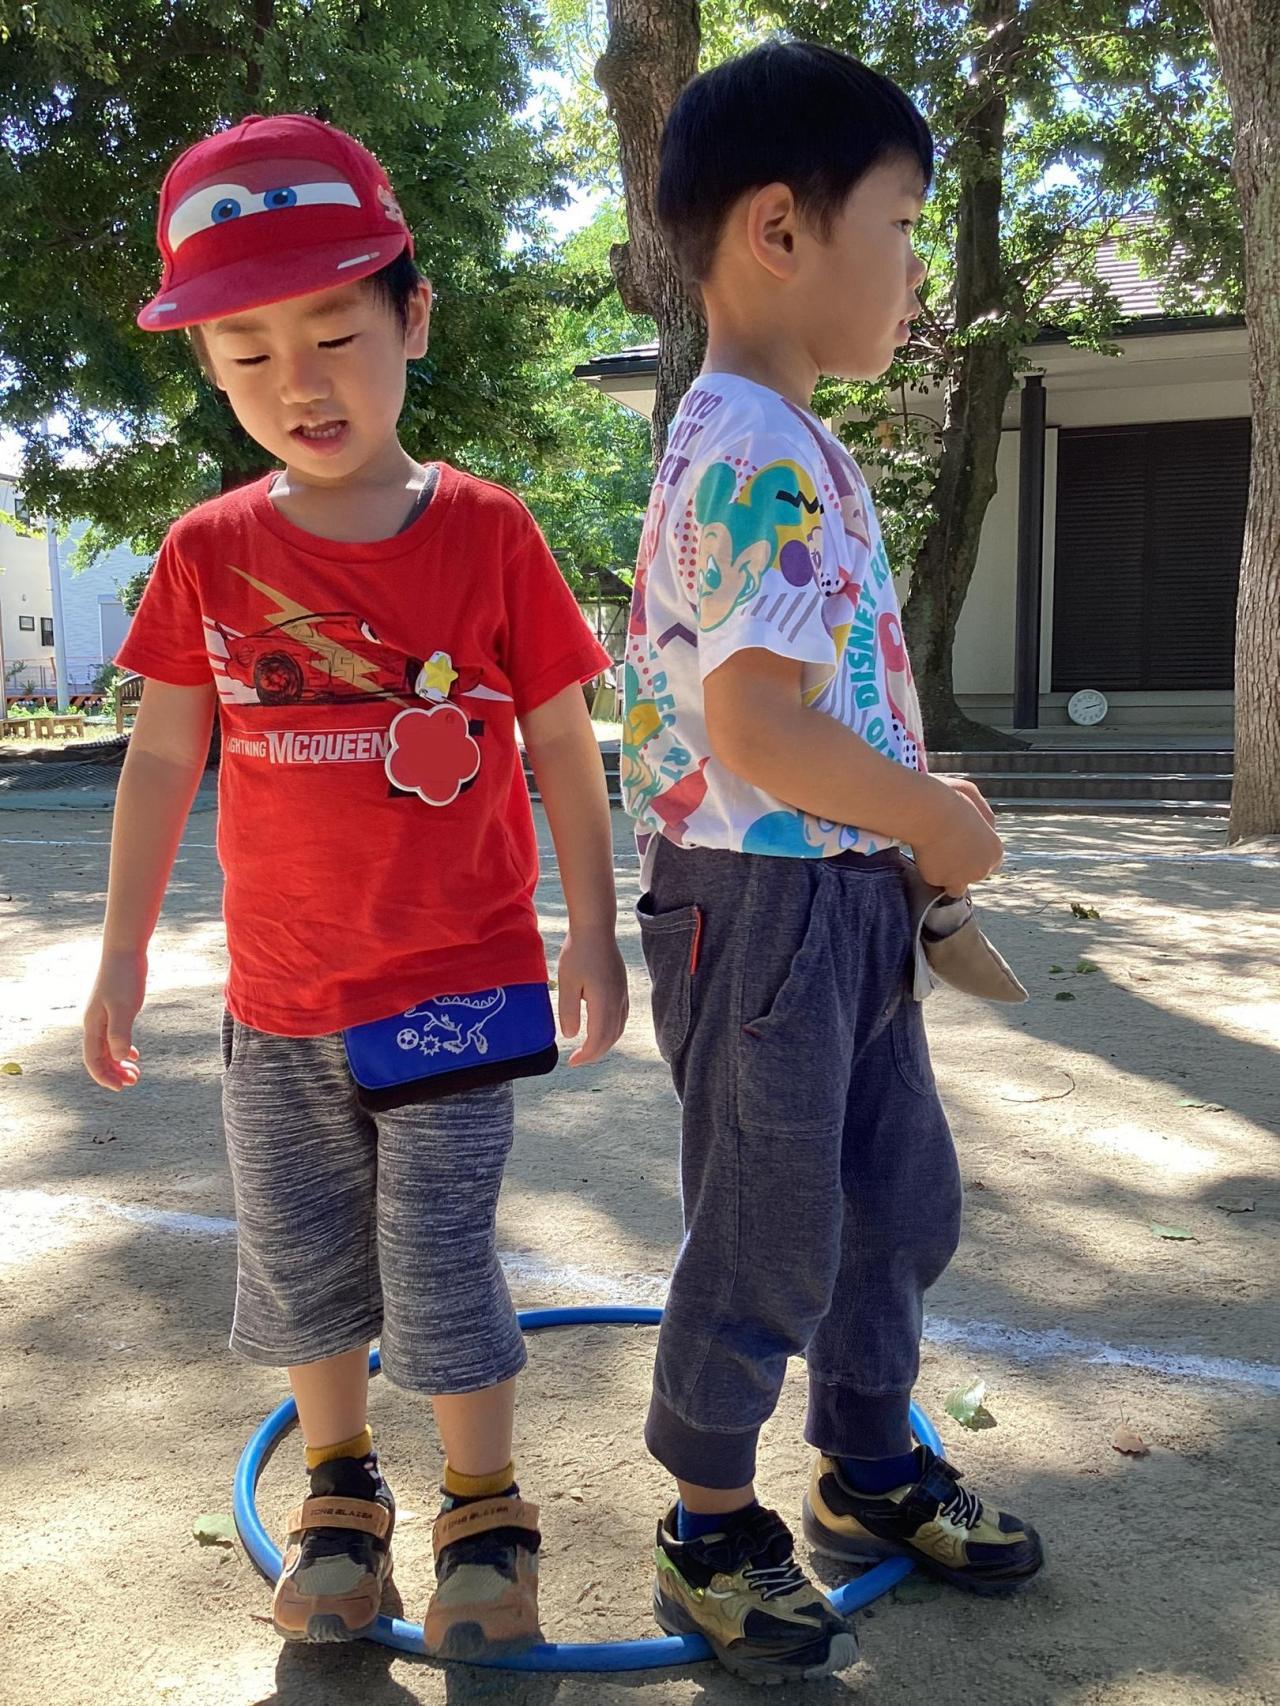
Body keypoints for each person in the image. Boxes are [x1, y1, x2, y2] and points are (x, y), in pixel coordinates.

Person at [83, 113, 629, 1660]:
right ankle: (340, 1495)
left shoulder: (490, 531)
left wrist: (593, 929)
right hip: (280, 1000)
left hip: (454, 986)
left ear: (414, 317)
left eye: (334, 331)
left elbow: (564, 744)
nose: (298, 380)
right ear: (209, 369)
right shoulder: (206, 552)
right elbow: (161, 758)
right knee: (303, 1261)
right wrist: (122, 952)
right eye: (248, 352)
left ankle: (486, 1509)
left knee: (438, 1257)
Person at [624, 42, 1044, 1685]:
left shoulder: (790, 435)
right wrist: (928, 814)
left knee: (896, 1198)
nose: (921, 265)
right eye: (906, 224)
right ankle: (710, 1518)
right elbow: (756, 731)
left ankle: (867, 1460)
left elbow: (813, 704)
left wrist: (908, 814)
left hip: (839, 893)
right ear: (783, 230)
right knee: (771, 1218)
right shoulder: (752, 445)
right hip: (765, 898)